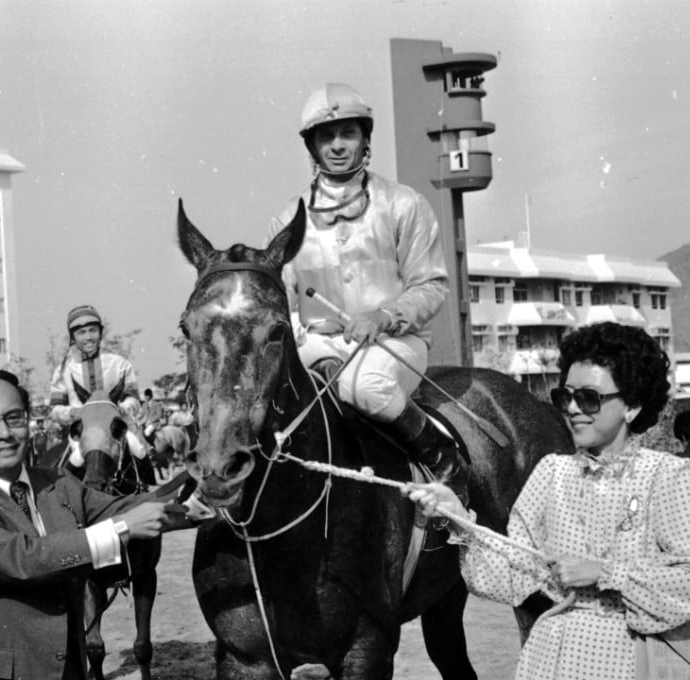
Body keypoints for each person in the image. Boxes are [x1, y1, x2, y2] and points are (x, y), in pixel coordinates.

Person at [407, 322, 690, 680]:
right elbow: (513, 576)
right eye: (564, 397)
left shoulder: (667, 477)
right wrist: (458, 518)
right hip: (552, 661)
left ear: (631, 407)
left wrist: (605, 573)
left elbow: (685, 582)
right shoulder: (550, 474)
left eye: (589, 398)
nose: (572, 409)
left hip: (632, 661)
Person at [266, 82, 465, 502]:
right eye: (326, 136)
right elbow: (279, 298)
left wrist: (384, 316)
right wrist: (295, 325)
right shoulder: (288, 218)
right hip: (317, 343)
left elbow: (430, 284)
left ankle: (443, 459)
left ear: (365, 139)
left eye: (348, 133)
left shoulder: (404, 204)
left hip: (394, 343)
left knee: (365, 386)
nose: (338, 145)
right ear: (312, 146)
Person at [0, 370, 180, 680]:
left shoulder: (59, 482)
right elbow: (24, 559)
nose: (4, 433)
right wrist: (121, 528)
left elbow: (119, 507)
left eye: (14, 418)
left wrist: (199, 491)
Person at [49, 305, 141, 427]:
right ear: (72, 337)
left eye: (93, 330)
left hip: (117, 429)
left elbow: (134, 401)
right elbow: (55, 411)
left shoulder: (121, 365)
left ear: (101, 332)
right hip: (79, 431)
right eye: (81, 332)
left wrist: (122, 409)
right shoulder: (62, 371)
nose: (88, 337)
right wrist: (75, 412)